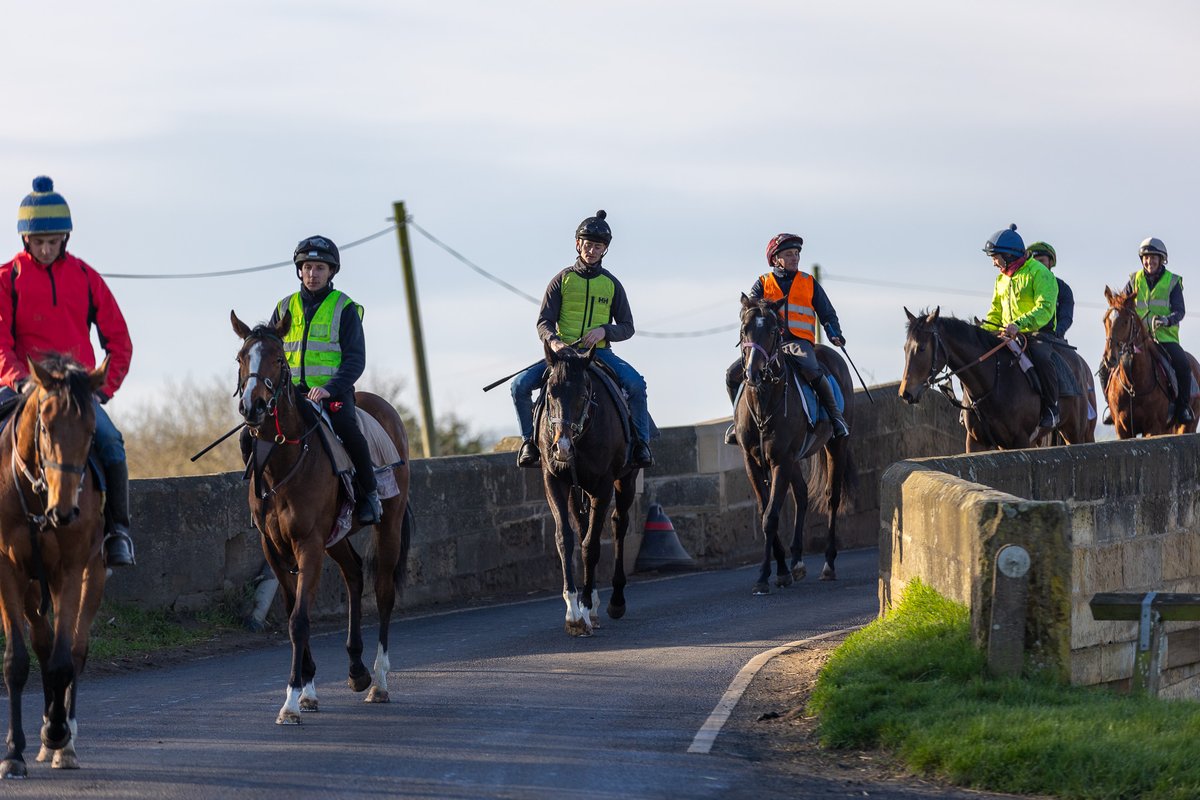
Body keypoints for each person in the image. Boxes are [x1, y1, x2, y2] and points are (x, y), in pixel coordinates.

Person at [0, 176, 135, 566]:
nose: (46, 249)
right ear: (26, 240)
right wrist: (22, 381)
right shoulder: (7, 278)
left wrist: (100, 391)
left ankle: (118, 533)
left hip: (77, 394)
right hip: (22, 388)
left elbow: (120, 342)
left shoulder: (85, 277)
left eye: (54, 241)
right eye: (39, 242)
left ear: (66, 239)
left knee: (112, 445)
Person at [244, 235, 382, 524]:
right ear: (299, 270)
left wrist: (330, 389)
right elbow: (270, 354)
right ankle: (261, 498)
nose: (312, 274)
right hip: (288, 393)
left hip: (332, 391)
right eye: (307, 267)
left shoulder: (344, 308)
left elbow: (355, 360)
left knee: (347, 426)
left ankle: (370, 494)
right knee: (248, 434)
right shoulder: (284, 308)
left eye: (319, 268)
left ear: (331, 272)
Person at [511, 210, 654, 469]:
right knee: (519, 386)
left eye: (597, 246)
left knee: (636, 385)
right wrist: (554, 341)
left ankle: (641, 446)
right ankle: (529, 443)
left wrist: (604, 331)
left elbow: (627, 327)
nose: (591, 250)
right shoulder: (561, 280)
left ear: (604, 250)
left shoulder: (612, 284)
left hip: (599, 354)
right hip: (564, 356)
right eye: (587, 245)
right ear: (578, 245)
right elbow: (543, 322)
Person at [723, 233, 849, 444]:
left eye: (797, 254)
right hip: (769, 346)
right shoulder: (763, 283)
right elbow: (750, 310)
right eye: (789, 254)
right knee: (731, 375)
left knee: (812, 369)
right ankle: (738, 423)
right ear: (775, 259)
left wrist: (834, 333)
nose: (795, 258)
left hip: (799, 343)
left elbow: (827, 312)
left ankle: (836, 418)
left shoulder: (809, 282)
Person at [1099, 237, 1194, 426]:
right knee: (1104, 368)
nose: (1149, 262)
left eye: (1153, 258)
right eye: (1146, 258)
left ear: (1161, 260)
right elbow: (1122, 303)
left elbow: (1180, 310)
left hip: (1164, 337)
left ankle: (1182, 407)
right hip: (1134, 339)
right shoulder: (1134, 279)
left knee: (1183, 365)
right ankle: (1112, 407)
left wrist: (1167, 320)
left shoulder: (1172, 281)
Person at [980, 224, 1060, 429]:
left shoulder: (1040, 273)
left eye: (995, 257)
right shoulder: (1001, 279)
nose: (993, 263)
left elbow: (1044, 309)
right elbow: (995, 311)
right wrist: (985, 330)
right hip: (1006, 334)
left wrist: (1019, 324)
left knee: (1041, 358)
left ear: (1008, 254)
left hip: (1036, 333)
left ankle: (1052, 408)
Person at [1026, 241, 1074, 339]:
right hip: (1021, 335)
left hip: (1051, 339)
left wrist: (1057, 332)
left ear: (1051, 262)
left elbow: (1066, 317)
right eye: (1034, 262)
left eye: (1041, 261)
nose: (1038, 266)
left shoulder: (1063, 288)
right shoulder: (1022, 285)